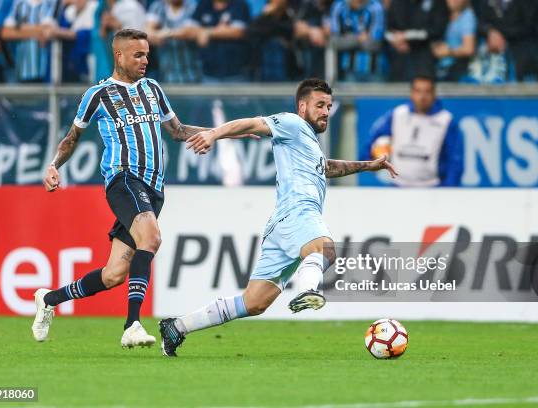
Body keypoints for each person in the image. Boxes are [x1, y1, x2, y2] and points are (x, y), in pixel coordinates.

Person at [158, 78, 398, 357]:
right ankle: (309, 289)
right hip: (299, 212)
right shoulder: (291, 123)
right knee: (325, 248)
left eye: (329, 106)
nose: (326, 111)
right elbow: (250, 123)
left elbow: (328, 167)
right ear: (302, 106)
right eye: (320, 105)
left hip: (282, 224)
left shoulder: (307, 142)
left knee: (254, 303)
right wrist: (213, 134)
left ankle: (177, 327)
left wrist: (368, 165)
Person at [31, 29, 215, 348]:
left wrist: (223, 132)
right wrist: (52, 165)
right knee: (152, 237)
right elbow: (72, 137)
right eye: (138, 55)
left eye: (147, 54)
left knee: (114, 274)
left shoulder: (153, 89)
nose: (145, 60)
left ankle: (49, 298)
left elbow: (178, 130)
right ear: (119, 56)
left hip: (154, 188)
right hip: (124, 179)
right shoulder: (98, 95)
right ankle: (131, 325)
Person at [361, 75, 463, 187]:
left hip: (431, 188)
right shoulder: (396, 115)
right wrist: (371, 158)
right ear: (411, 93)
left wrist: (447, 190)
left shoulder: (446, 120)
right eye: (418, 91)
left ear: (434, 94)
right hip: (397, 187)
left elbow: (455, 161)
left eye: (427, 92)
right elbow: (372, 144)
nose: (422, 96)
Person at [432, 0, 476, 82]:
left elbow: (469, 49)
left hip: (459, 73)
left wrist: (448, 52)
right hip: (441, 70)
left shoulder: (467, 16)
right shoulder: (443, 15)